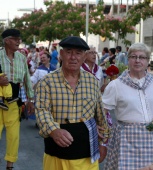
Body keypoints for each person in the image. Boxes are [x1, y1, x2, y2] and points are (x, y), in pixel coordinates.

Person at [35, 36, 111, 170]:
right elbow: (42, 111)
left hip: (87, 156)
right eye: (69, 52)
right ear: (61, 54)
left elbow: (100, 114)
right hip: (57, 155)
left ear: (84, 57)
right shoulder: (47, 82)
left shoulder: (92, 82)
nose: (73, 57)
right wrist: (54, 130)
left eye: (78, 53)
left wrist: (103, 143)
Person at [102, 43, 153, 170]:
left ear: (148, 61)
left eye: (142, 57)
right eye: (133, 56)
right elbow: (101, 112)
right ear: (128, 60)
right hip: (126, 140)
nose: (137, 60)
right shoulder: (116, 85)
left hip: (152, 138)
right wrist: (103, 137)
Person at [0, 29, 34, 169]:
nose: (19, 41)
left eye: (19, 38)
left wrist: (30, 99)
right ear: (7, 40)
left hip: (14, 102)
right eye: (15, 38)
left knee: (14, 137)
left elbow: (27, 79)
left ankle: (10, 166)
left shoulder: (21, 58)